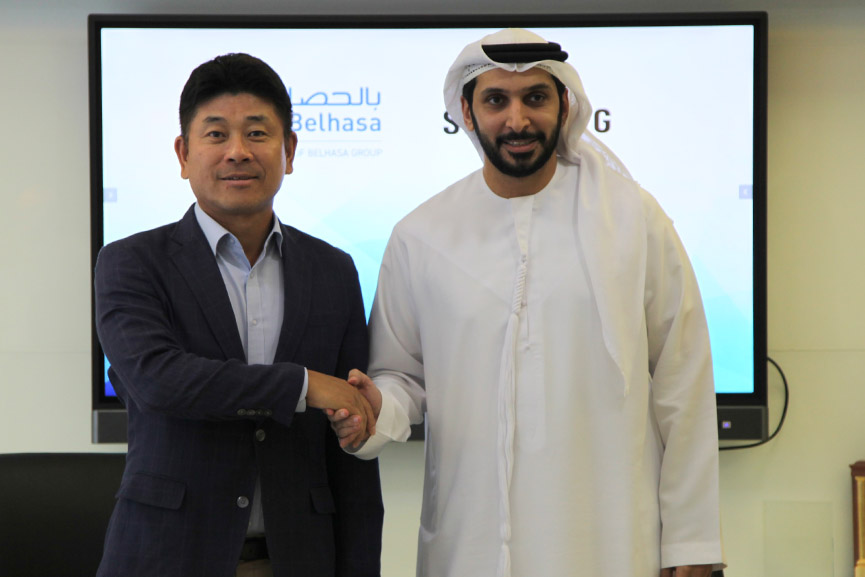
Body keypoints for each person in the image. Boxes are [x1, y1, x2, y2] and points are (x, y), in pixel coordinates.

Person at [329, 29, 724, 577]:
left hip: (609, 539)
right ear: (466, 113)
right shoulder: (420, 235)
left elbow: (683, 381)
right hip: (470, 542)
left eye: (535, 98)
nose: (517, 120)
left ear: (564, 105)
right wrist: (375, 411)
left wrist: (691, 543)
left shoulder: (633, 219)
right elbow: (401, 376)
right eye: (496, 100)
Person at [94, 53, 383, 577]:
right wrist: (303, 386)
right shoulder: (131, 262)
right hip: (166, 557)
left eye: (256, 133)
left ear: (288, 150)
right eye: (216, 135)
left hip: (300, 559)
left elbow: (352, 443)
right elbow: (160, 381)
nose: (237, 152)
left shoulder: (334, 270)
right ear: (183, 154)